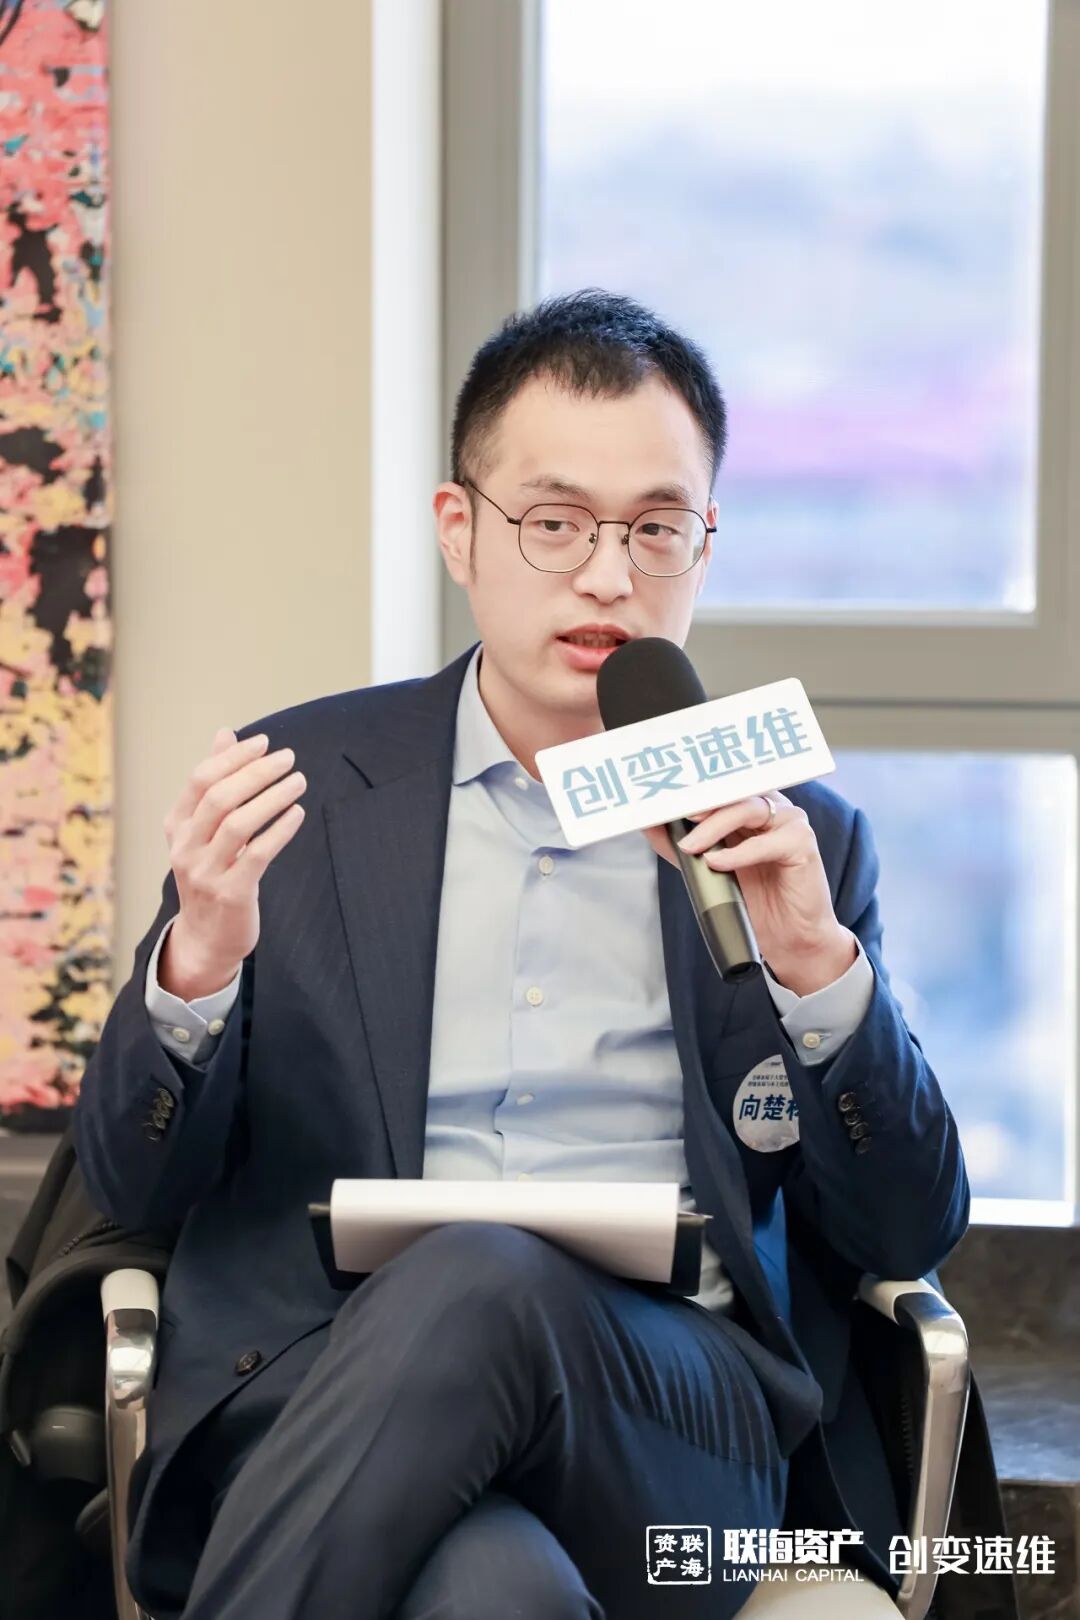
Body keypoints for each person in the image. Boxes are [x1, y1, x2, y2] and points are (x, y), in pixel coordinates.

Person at [73, 289, 969, 1620]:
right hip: (325, 1395)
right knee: (489, 1586)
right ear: (461, 530)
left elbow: (904, 1228)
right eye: (555, 523)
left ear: (704, 542)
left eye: (657, 528)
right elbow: (132, 1182)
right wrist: (197, 964)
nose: (609, 577)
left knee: (482, 1273)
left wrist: (815, 965)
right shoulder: (298, 791)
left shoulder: (793, 837)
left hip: (672, 1431)